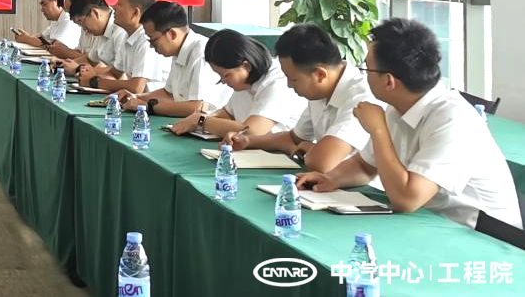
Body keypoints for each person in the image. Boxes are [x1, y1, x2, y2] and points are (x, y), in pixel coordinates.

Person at [296, 19, 521, 228]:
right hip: (430, 221)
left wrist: (378, 130)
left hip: (480, 236)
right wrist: (330, 179)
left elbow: (407, 199)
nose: (364, 76)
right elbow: (365, 166)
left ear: (389, 81)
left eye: (367, 69)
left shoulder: (453, 120)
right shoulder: (398, 106)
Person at [226, 24, 373, 172]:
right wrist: (248, 141)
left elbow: (322, 162)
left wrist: (311, 149)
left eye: (293, 79)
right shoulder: (321, 90)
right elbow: (294, 138)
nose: (289, 85)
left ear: (320, 74)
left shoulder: (361, 98)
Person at [169, 28, 305, 138]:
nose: (223, 81)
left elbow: (252, 132)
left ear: (246, 66)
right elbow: (228, 113)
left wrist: (201, 121)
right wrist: (204, 116)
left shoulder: (278, 81)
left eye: (226, 75)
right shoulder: (245, 83)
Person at [120, 1, 231, 117]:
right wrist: (135, 97)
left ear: (172, 34)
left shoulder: (201, 53)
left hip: (213, 123)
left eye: (153, 40)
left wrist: (148, 106)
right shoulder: (178, 50)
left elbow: (198, 107)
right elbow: (168, 93)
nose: (151, 46)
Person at [86, 0, 166, 96]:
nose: (114, 8)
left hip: (153, 104)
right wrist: (91, 78)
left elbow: (136, 87)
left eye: (119, 4)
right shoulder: (127, 36)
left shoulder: (146, 40)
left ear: (135, 12)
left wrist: (95, 82)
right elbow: (114, 73)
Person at [15, 0, 82, 49]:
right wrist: (27, 36)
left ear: (57, 1)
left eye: (44, 4)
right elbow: (43, 39)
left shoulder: (69, 20)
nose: (42, 10)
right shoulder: (56, 20)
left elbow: (55, 46)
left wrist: (27, 39)